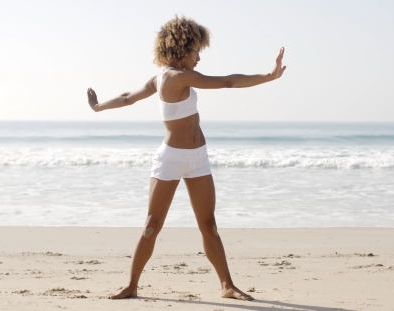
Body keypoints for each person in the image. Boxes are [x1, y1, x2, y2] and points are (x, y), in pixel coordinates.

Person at [87, 16, 286, 301]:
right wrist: (269, 76)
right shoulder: (175, 76)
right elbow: (228, 82)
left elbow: (128, 97)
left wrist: (99, 107)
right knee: (152, 225)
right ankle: (132, 285)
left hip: (198, 158)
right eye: (196, 52)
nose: (198, 59)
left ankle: (227, 286)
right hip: (170, 159)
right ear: (181, 48)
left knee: (209, 225)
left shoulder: (163, 76)